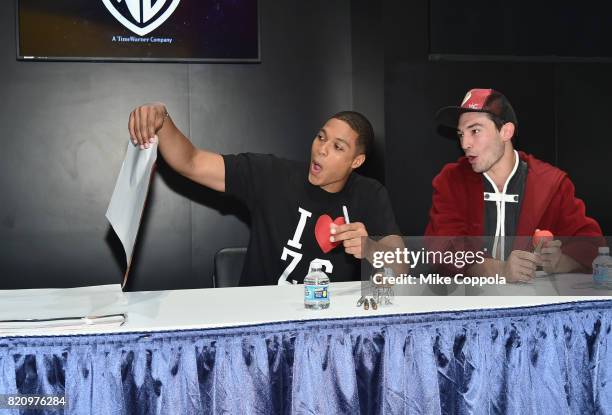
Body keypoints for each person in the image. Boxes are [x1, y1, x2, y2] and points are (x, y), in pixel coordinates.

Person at [129, 103, 400, 286]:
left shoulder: (370, 194)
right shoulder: (271, 175)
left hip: (327, 332)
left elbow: (401, 269)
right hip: (259, 331)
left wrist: (370, 248)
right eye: (321, 137)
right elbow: (191, 161)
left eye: (338, 147)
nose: (322, 149)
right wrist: (161, 119)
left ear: (357, 161)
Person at [426, 88, 603, 283]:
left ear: (506, 131)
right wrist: (500, 270)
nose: (465, 143)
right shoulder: (452, 180)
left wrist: (562, 262)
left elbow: (592, 245)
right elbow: (443, 251)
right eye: (461, 134)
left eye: (475, 131)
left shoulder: (550, 184)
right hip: (470, 307)